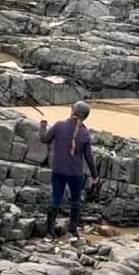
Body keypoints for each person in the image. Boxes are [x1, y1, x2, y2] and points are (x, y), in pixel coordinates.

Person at [38, 101, 97, 238]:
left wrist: (43, 124)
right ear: (85, 117)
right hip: (76, 174)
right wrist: (95, 175)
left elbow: (44, 138)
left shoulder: (59, 125)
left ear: (72, 112)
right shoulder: (85, 133)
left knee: (55, 199)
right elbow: (89, 157)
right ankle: (72, 231)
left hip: (58, 171)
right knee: (75, 202)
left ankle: (49, 232)